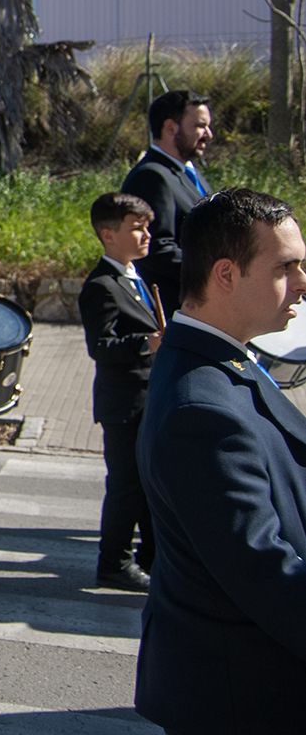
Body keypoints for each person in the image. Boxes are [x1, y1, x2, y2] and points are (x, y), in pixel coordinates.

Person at [135, 188, 306, 732]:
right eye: (286, 267)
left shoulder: (226, 356)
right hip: (241, 696)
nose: (302, 281)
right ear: (227, 274)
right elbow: (263, 571)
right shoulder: (201, 408)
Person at [78, 191, 161, 592]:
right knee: (126, 485)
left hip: (146, 398)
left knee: (147, 481)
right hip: (124, 403)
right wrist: (148, 343)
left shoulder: (132, 277)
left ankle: (150, 554)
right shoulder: (102, 286)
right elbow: (101, 347)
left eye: (147, 226)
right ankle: (113, 561)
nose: (146, 234)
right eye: (136, 228)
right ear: (109, 235)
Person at [122, 89, 214, 317]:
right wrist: (214, 273)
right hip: (176, 311)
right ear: (171, 128)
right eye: (200, 126)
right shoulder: (152, 176)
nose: (208, 134)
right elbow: (156, 249)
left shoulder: (187, 172)